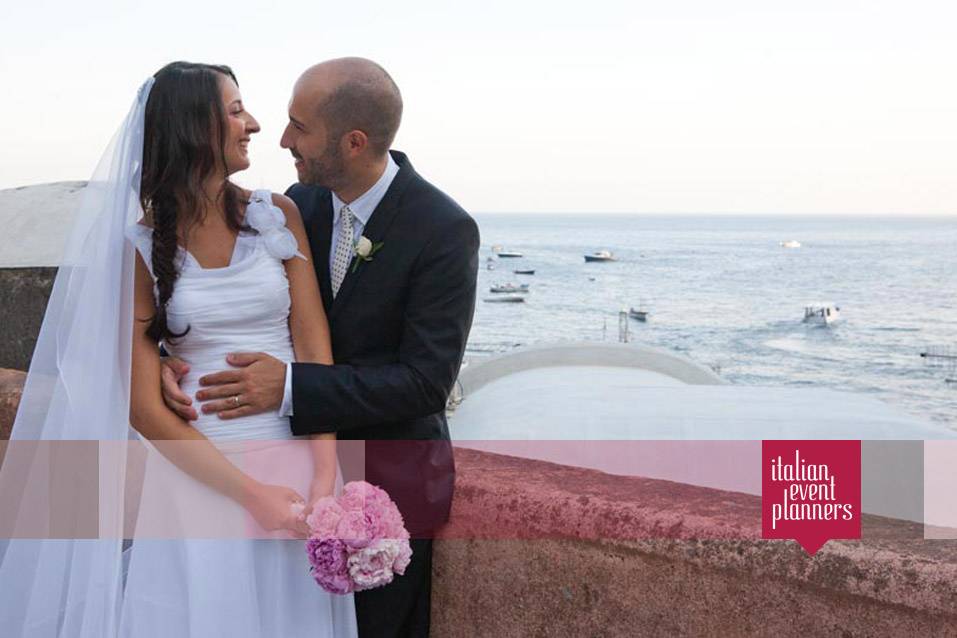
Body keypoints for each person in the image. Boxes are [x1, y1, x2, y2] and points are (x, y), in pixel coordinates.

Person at [0, 62, 357, 637]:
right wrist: (254, 496)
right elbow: (144, 407)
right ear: (195, 127)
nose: (255, 124)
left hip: (298, 461)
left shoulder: (277, 214)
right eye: (236, 110)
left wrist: (323, 474)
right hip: (201, 476)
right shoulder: (138, 246)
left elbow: (314, 348)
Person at [162, 57, 480, 637]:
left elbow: (425, 382)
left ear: (353, 142)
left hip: (388, 484)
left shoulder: (442, 228)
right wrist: (168, 362)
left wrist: (286, 386)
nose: (282, 139)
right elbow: (231, 311)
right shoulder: (293, 205)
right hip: (285, 469)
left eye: (299, 127)